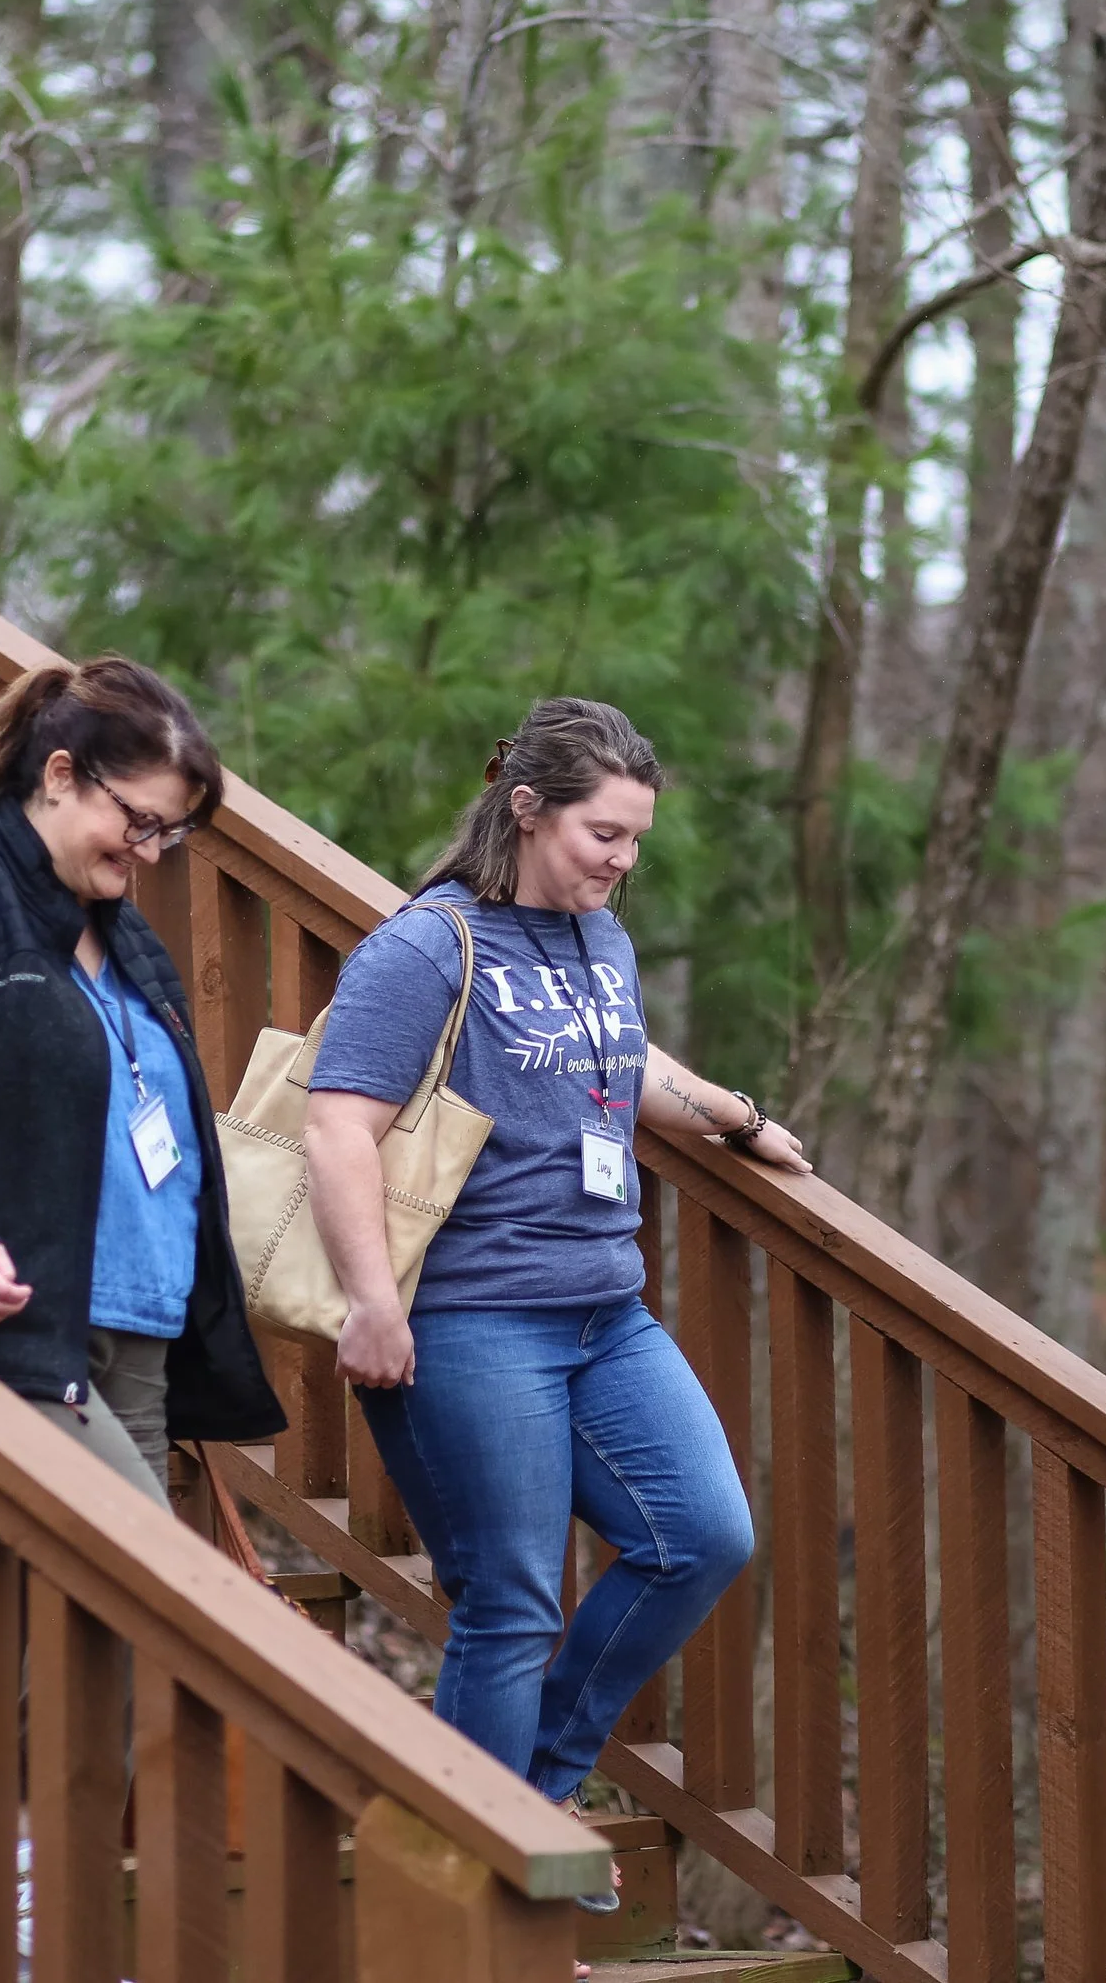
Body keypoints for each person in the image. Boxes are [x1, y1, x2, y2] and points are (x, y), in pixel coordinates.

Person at [303, 697, 808, 1907]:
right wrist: (373, 1304)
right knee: (511, 1597)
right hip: (474, 1319)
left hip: (605, 1313)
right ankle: (479, 1894)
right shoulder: (429, 946)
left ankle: (520, 1800)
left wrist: (741, 1120)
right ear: (526, 809)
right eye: (603, 836)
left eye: (636, 840)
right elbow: (337, 1126)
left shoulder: (601, 942)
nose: (621, 862)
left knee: (701, 1536)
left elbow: (628, 1065)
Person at [0, 656, 286, 1503]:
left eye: (168, 833)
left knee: (99, 1630)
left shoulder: (129, 939)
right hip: (16, 1323)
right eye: (139, 821)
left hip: (141, 1326)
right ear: (61, 776)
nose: (149, 851)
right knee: (149, 1593)